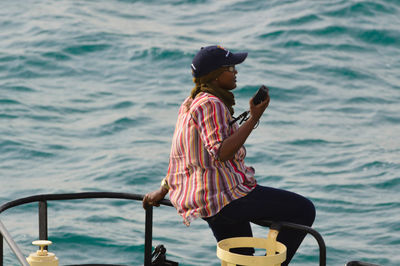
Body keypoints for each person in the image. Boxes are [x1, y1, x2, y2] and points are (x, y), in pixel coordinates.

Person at [142, 45, 315, 265]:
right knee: (303, 210)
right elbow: (221, 152)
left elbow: (182, 156)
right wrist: (253, 118)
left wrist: (163, 189)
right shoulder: (211, 104)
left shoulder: (189, 104)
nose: (236, 72)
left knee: (241, 260)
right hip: (225, 198)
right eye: (230, 67)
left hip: (210, 201)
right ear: (215, 76)